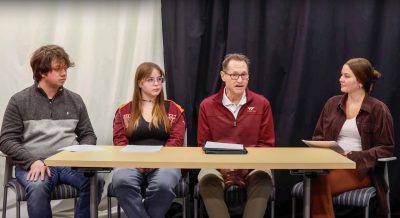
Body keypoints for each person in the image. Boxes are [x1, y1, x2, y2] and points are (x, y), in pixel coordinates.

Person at [0, 44, 104, 218]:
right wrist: (31, 161)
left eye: (65, 68)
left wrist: (80, 155)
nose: (64, 73)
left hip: (69, 164)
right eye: (58, 69)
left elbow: (88, 134)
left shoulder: (75, 100)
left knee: (96, 180)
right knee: (38, 186)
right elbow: (6, 140)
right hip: (35, 164)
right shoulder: (19, 101)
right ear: (42, 72)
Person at [310, 58, 395, 217]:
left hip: (359, 170)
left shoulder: (378, 109)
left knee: (318, 180)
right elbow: (318, 137)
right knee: (315, 176)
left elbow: (386, 148)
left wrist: (353, 155)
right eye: (341, 75)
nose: (340, 79)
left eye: (347, 76)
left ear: (361, 82)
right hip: (329, 164)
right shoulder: (332, 104)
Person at [197, 53, 275, 218]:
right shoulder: (207, 105)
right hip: (217, 165)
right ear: (223, 76)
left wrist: (245, 164)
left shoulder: (262, 104)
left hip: (252, 165)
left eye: (244, 75)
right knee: (206, 178)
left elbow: (266, 144)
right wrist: (222, 165)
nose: (240, 80)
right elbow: (203, 145)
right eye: (234, 75)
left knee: (264, 177)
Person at [111, 62, 186, 218]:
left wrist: (156, 161)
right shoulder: (124, 110)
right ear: (140, 82)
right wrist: (135, 162)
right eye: (151, 79)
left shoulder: (174, 109)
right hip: (131, 162)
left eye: (160, 79)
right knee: (121, 181)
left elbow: (176, 141)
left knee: (163, 185)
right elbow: (119, 141)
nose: (157, 83)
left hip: (166, 163)